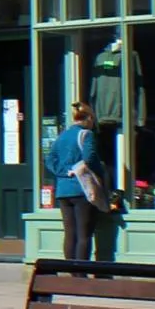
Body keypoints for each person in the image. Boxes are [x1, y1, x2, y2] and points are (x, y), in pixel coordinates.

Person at [45, 102, 105, 262]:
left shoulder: (62, 136)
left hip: (63, 191)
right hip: (81, 190)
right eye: (93, 120)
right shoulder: (87, 134)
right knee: (84, 234)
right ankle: (81, 273)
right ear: (89, 118)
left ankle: (70, 271)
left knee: (70, 233)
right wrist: (100, 174)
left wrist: (64, 172)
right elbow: (89, 158)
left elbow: (50, 159)